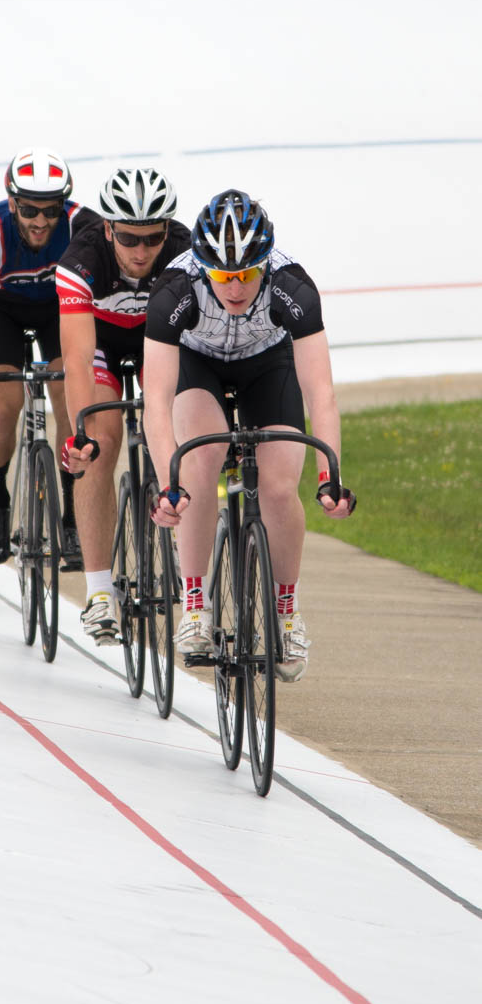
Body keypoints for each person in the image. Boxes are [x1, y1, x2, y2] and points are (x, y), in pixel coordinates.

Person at [143, 188, 355, 681]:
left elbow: (320, 391)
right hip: (199, 366)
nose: (235, 286)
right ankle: (195, 606)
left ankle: (286, 611)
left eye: (246, 273)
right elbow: (156, 401)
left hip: (268, 365)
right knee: (199, 461)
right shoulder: (175, 290)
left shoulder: (293, 288)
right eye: (222, 275)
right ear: (202, 265)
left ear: (265, 265)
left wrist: (330, 476)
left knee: (280, 486)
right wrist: (167, 485)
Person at [56, 166, 188, 643]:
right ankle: (97, 592)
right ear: (108, 228)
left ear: (167, 231)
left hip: (158, 344)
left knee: (178, 431)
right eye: (129, 237)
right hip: (102, 347)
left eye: (153, 238)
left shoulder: (186, 255)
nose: (140, 251)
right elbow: (74, 360)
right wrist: (80, 434)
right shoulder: (81, 260)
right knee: (103, 442)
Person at [0, 148, 100, 564]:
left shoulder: (83, 227)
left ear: (64, 204)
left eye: (51, 210)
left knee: (72, 404)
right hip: (0, 315)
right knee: (1, 406)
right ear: (13, 202)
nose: (40, 221)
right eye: (30, 209)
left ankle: (72, 515)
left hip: (59, 311)